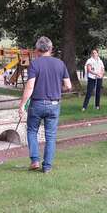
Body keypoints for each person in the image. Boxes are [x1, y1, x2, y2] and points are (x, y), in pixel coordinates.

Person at [18, 36, 72, 173]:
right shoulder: (60, 63)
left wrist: (22, 105)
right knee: (51, 136)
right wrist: (57, 89)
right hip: (54, 105)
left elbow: (30, 87)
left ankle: (35, 160)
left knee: (31, 131)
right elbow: (68, 86)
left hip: (37, 104)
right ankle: (47, 167)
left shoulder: (35, 64)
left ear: (37, 50)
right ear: (51, 48)